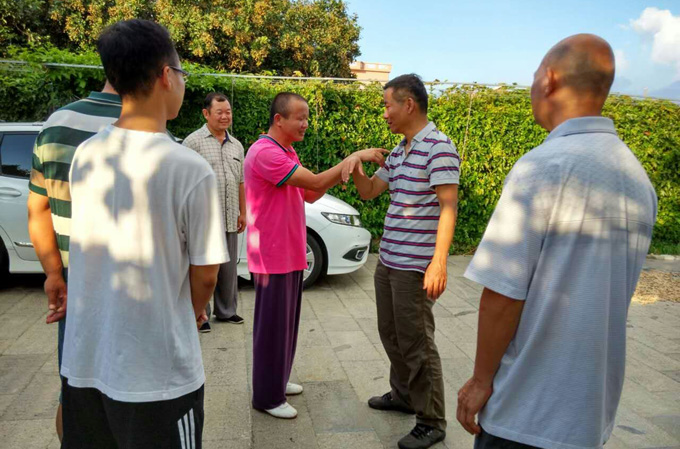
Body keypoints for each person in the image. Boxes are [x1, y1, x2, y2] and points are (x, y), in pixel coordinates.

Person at [456, 34, 657, 449]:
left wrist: (480, 381)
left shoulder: (543, 168)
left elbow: (502, 296)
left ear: (549, 79)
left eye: (533, 77)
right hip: (588, 414)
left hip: (523, 411)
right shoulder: (637, 178)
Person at [59, 19, 228, 448]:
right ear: (166, 75)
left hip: (85, 363)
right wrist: (188, 314)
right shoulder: (190, 169)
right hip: (159, 379)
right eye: (182, 73)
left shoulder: (87, 154)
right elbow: (206, 274)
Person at [244, 92, 386, 419]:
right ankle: (267, 397)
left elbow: (310, 192)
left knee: (286, 326)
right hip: (272, 255)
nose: (305, 123)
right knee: (272, 329)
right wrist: (353, 157)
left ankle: (277, 381)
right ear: (279, 119)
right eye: (300, 118)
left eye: (307, 118)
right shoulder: (266, 152)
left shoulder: (286, 151)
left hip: (289, 252)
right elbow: (319, 180)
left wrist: (343, 170)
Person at [344, 74, 460, 449]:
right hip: (389, 260)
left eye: (387, 105)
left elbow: (448, 206)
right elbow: (370, 191)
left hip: (415, 266)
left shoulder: (439, 148)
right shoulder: (399, 150)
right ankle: (405, 395)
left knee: (417, 343)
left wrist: (439, 263)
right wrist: (357, 163)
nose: (384, 113)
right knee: (391, 333)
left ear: (408, 104)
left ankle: (431, 420)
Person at [27, 81, 121, 441]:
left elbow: (38, 208)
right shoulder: (149, 130)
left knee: (74, 386)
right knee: (130, 391)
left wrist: (53, 273)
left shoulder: (57, 124)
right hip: (130, 282)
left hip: (74, 278)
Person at [183, 92, 246, 331]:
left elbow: (240, 181)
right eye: (219, 112)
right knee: (203, 267)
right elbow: (184, 182)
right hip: (204, 220)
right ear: (206, 114)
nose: (225, 116)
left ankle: (227, 311)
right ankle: (201, 314)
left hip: (229, 216)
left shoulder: (236, 145)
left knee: (228, 269)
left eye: (228, 112)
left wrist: (243, 211)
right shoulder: (193, 143)